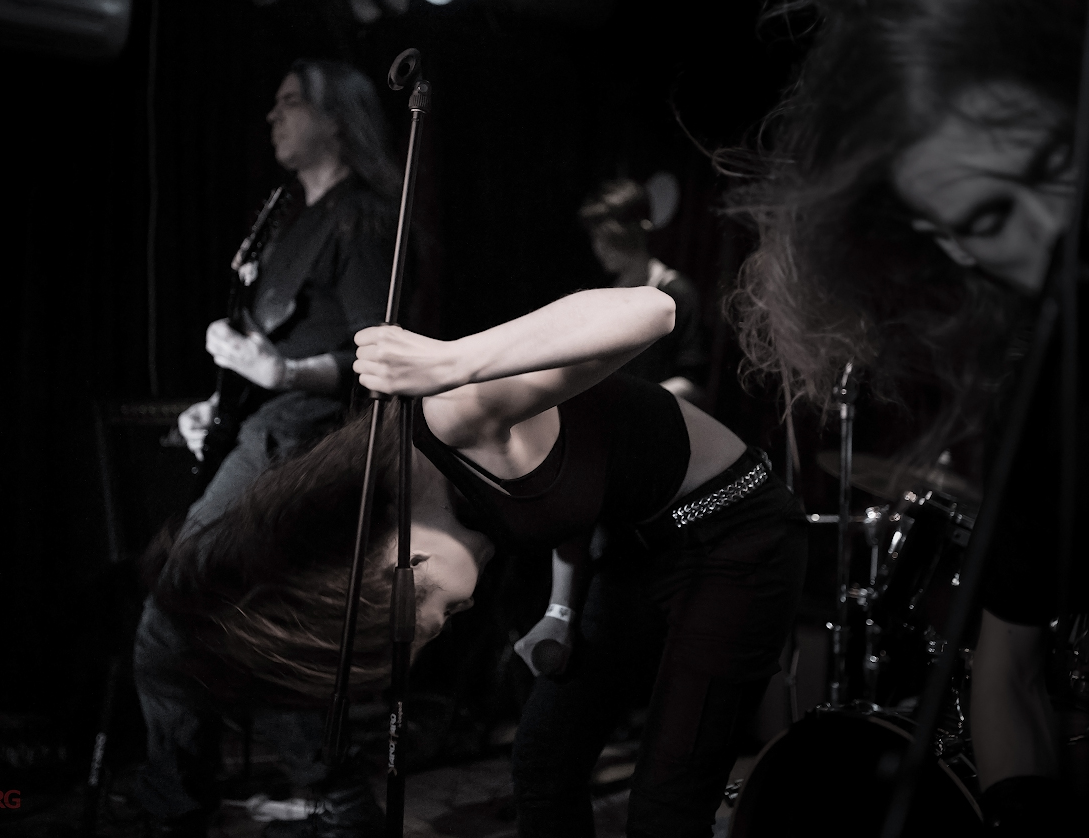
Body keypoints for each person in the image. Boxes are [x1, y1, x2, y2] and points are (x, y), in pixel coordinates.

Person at [155, 284, 809, 837]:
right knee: (544, 767)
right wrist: (561, 610)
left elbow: (651, 309)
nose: (454, 616)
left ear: (398, 564)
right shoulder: (432, 497)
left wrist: (453, 361)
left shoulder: (454, 416)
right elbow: (572, 489)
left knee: (667, 801)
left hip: (736, 535)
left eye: (435, 615)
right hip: (633, 548)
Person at [723, 0, 1086, 831]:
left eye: (1056, 161)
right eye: (992, 217)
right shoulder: (1042, 406)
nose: (1056, 227)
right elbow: (1009, 671)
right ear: (952, 246)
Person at [133, 58, 399, 838]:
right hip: (259, 434)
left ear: (336, 118)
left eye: (289, 102)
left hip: (299, 447)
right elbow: (266, 352)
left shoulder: (363, 218)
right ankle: (332, 801)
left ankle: (190, 807)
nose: (272, 116)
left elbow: (376, 356)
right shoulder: (288, 221)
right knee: (241, 627)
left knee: (180, 611)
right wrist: (214, 408)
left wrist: (282, 373)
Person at [579, 178, 710, 403]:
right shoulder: (607, 294)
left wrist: (637, 403)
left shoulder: (678, 293)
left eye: (605, 238)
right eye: (595, 238)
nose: (598, 248)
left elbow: (693, 381)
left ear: (629, 233)